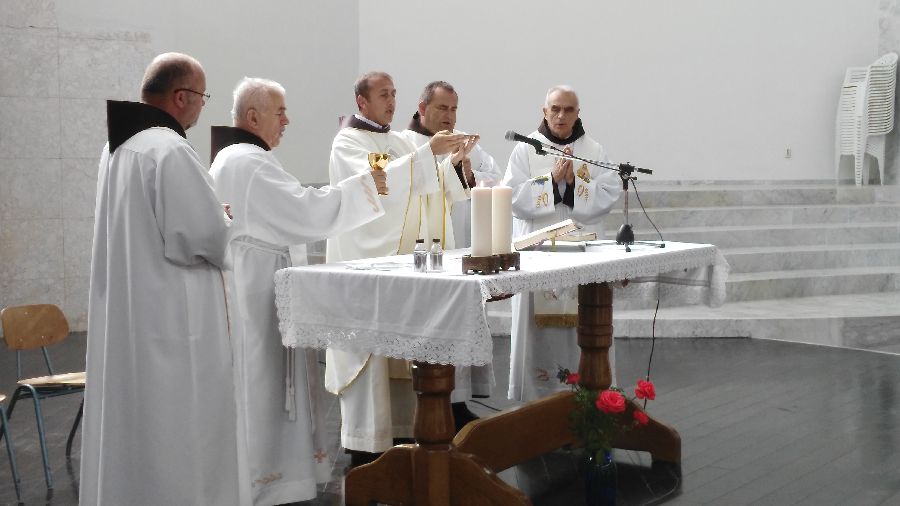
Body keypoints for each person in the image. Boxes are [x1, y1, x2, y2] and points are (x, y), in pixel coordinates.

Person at [209, 77, 387, 505]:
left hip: (253, 283)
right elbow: (304, 211)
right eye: (280, 111)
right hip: (257, 293)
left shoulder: (236, 157)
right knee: (265, 386)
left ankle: (266, 478)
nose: (287, 120)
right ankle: (268, 481)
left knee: (263, 386)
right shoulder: (249, 162)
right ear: (254, 117)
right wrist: (363, 187)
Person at [81, 53, 249, 505]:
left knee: (136, 429)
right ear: (181, 96)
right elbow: (204, 235)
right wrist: (224, 217)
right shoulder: (169, 149)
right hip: (173, 323)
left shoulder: (117, 147)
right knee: (178, 430)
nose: (202, 107)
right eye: (202, 96)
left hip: (133, 315)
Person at [325, 71, 470, 462]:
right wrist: (427, 155)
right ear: (361, 102)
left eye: (393, 94)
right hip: (364, 265)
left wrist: (454, 163)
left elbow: (429, 185)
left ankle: (402, 441)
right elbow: (375, 186)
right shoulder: (348, 141)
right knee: (371, 359)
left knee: (400, 356)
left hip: (396, 265)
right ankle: (364, 449)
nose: (391, 102)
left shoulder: (398, 141)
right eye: (382, 95)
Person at [502, 85, 623, 401]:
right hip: (537, 257)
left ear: (577, 113)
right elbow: (512, 198)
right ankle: (535, 401)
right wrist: (551, 181)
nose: (561, 115)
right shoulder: (526, 149)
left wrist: (573, 183)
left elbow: (608, 194)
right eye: (555, 108)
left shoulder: (593, 151)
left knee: (583, 326)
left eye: (568, 109)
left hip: (582, 256)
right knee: (535, 334)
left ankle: (586, 398)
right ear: (544, 111)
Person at [399, 80, 501, 426]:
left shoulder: (465, 143)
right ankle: (427, 404)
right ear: (422, 108)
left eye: (454, 108)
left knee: (459, 322)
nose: (450, 115)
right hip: (424, 252)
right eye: (442, 108)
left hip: (461, 247)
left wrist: (470, 173)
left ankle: (457, 402)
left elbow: (494, 179)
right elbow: (402, 183)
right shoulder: (405, 145)